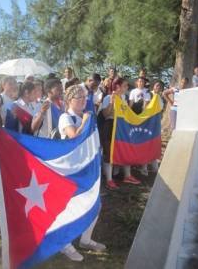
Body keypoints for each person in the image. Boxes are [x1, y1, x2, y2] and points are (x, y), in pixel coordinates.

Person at [58, 84, 106, 261]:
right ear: (70, 100)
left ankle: (85, 239)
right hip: (71, 169)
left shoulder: (86, 116)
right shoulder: (65, 117)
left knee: (95, 203)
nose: (83, 100)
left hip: (87, 167)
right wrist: (85, 121)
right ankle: (65, 244)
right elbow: (73, 137)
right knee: (70, 207)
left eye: (84, 97)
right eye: (79, 97)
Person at [97, 78, 142, 189]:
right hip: (110, 126)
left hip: (122, 127)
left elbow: (126, 114)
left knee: (125, 149)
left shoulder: (124, 98)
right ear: (118, 86)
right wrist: (112, 102)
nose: (127, 88)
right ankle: (109, 180)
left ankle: (127, 175)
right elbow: (106, 114)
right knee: (109, 151)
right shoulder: (108, 97)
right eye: (125, 86)